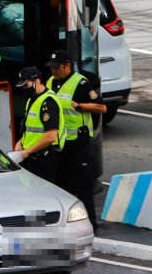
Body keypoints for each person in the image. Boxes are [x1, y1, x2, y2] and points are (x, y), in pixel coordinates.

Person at [45, 50, 106, 229]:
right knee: (59, 184)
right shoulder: (50, 82)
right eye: (51, 68)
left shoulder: (80, 83)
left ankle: (91, 224)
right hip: (59, 143)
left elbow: (101, 107)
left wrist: (79, 106)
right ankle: (64, 224)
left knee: (83, 185)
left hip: (78, 143)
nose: (53, 71)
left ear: (67, 66)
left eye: (57, 68)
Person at [11, 66, 63, 183]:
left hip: (43, 159)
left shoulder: (48, 102)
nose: (24, 89)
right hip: (30, 157)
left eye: (26, 85)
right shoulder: (31, 99)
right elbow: (31, 130)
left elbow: (51, 136)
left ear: (37, 81)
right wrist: (20, 143)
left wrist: (27, 151)